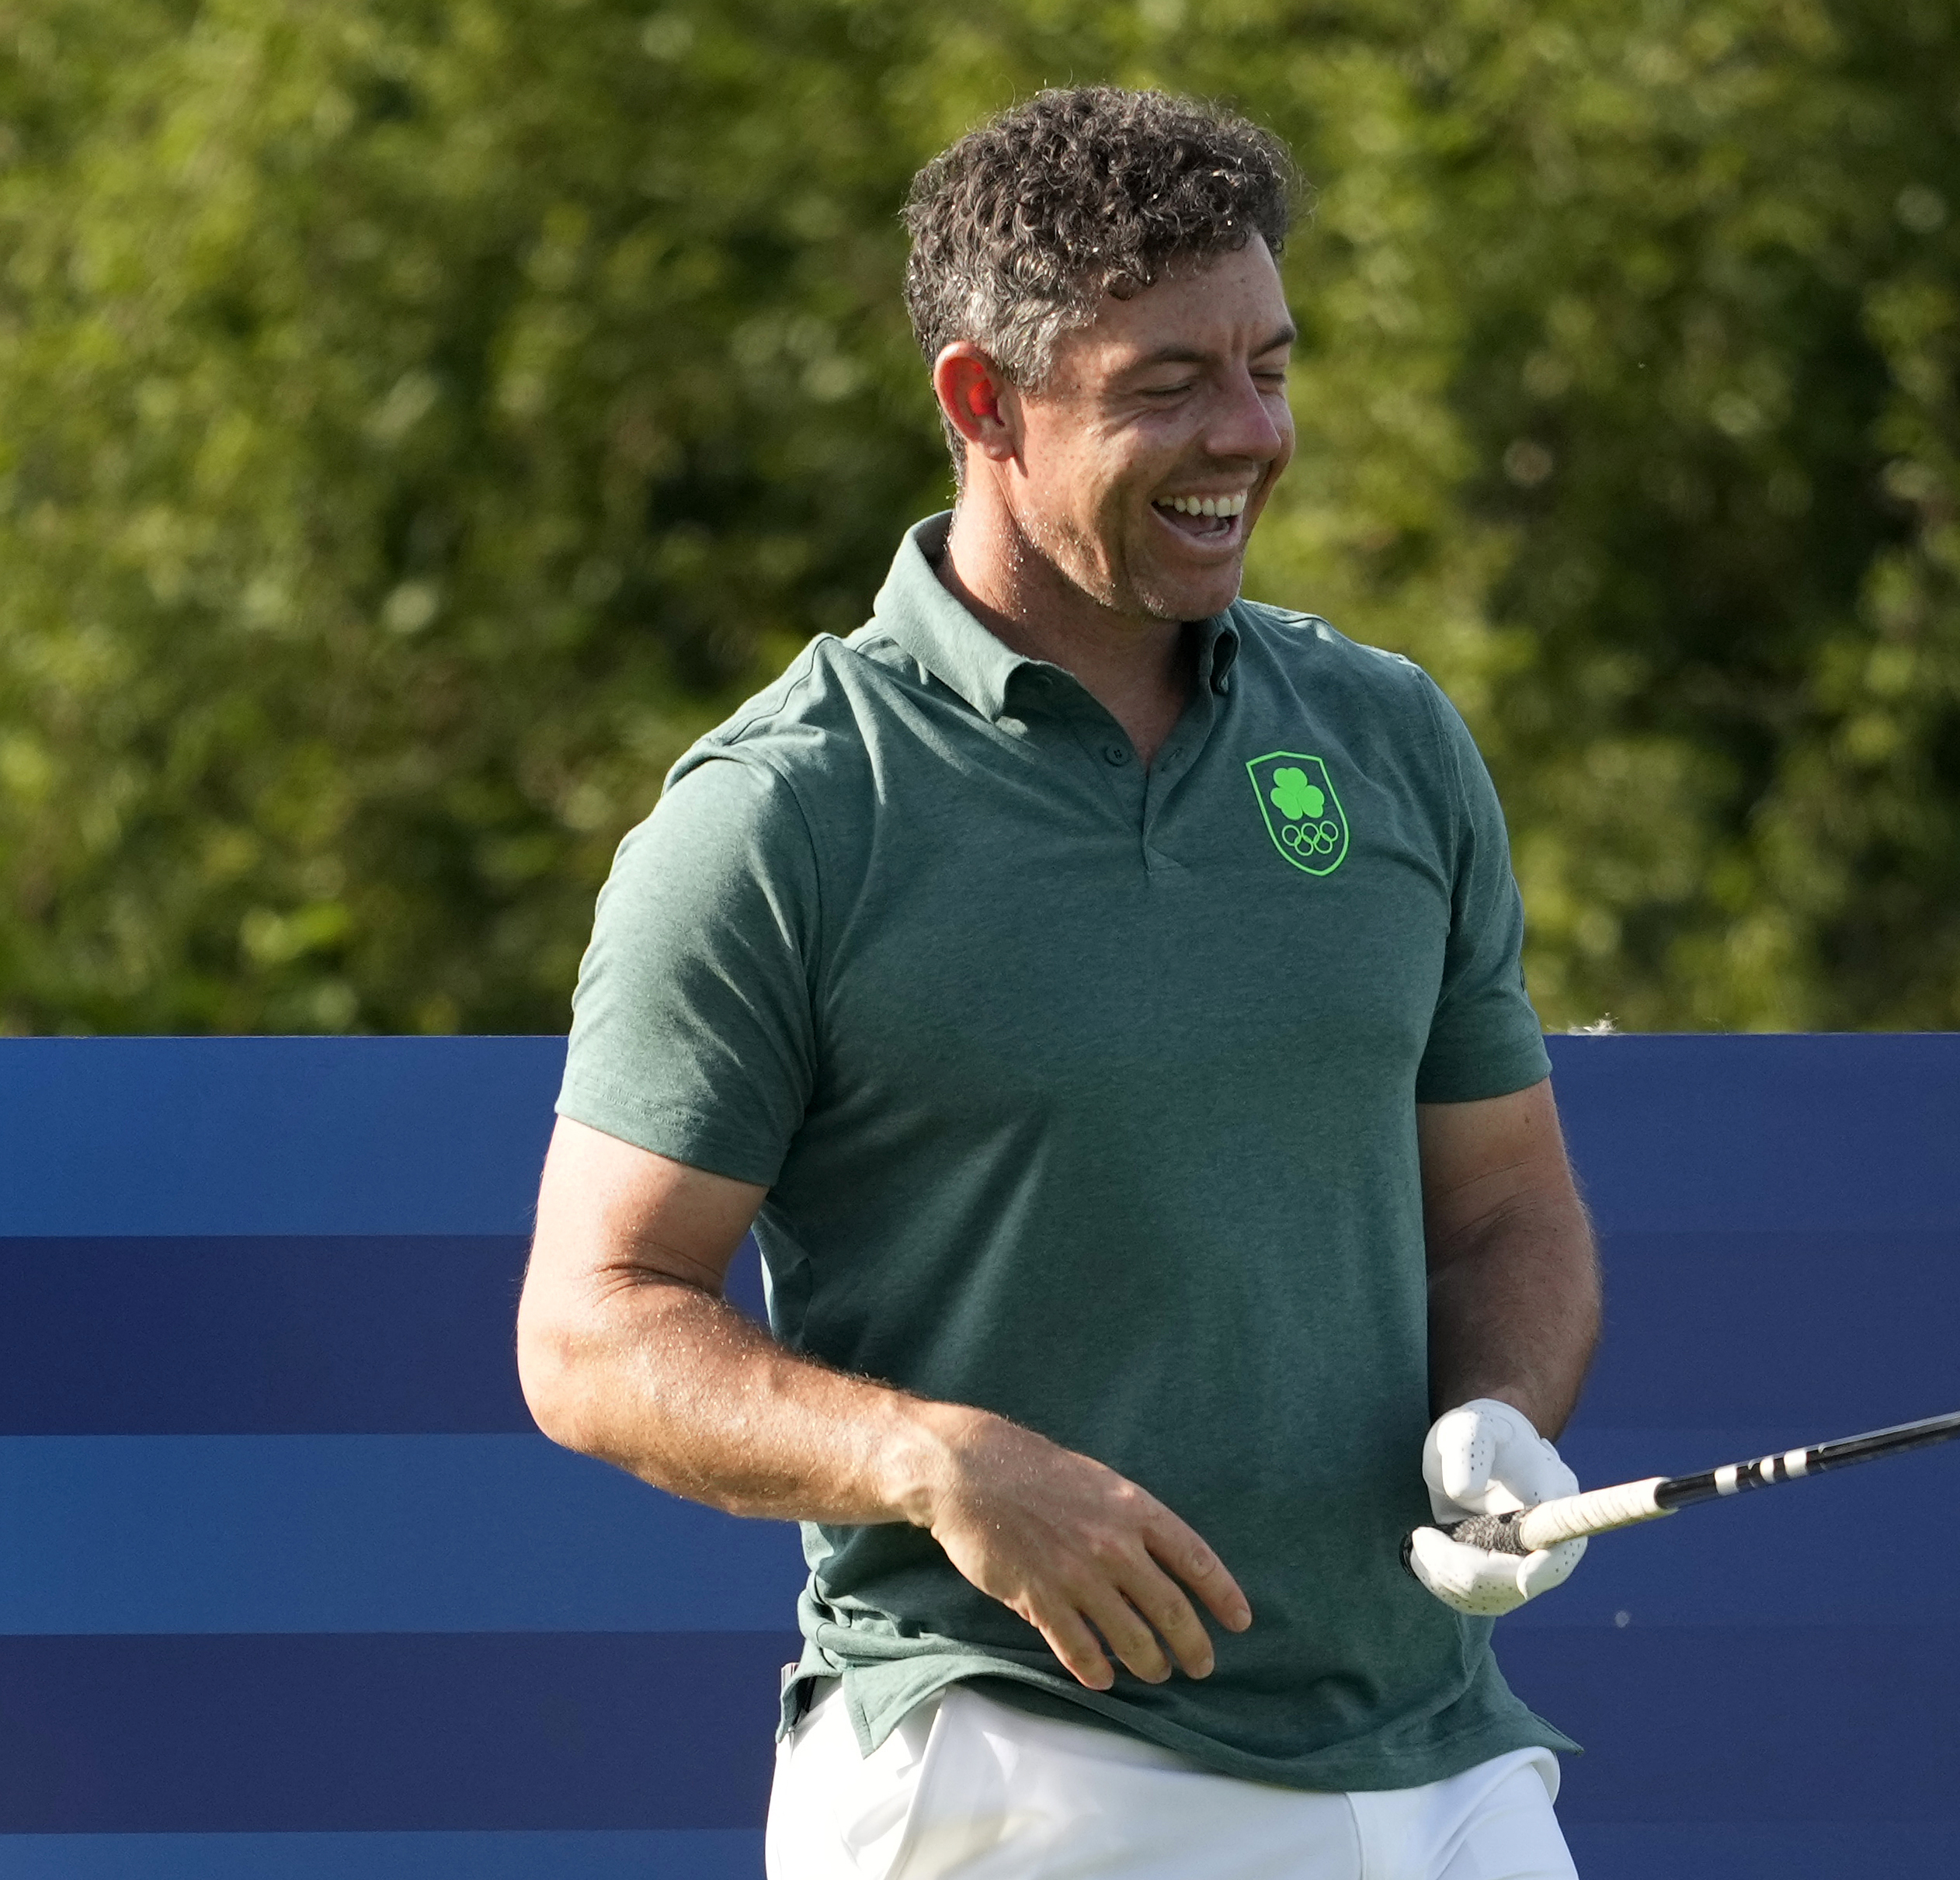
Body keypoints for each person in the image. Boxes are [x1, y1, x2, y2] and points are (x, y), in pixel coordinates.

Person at [515, 85, 1603, 1879]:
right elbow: (591, 1322)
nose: (1246, 433)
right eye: (1168, 383)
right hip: (1017, 1758)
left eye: (1270, 364)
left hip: (1442, 1753)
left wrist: (1498, 1415)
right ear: (982, 400)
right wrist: (938, 1460)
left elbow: (1505, 1209)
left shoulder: (1390, 738)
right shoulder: (787, 812)